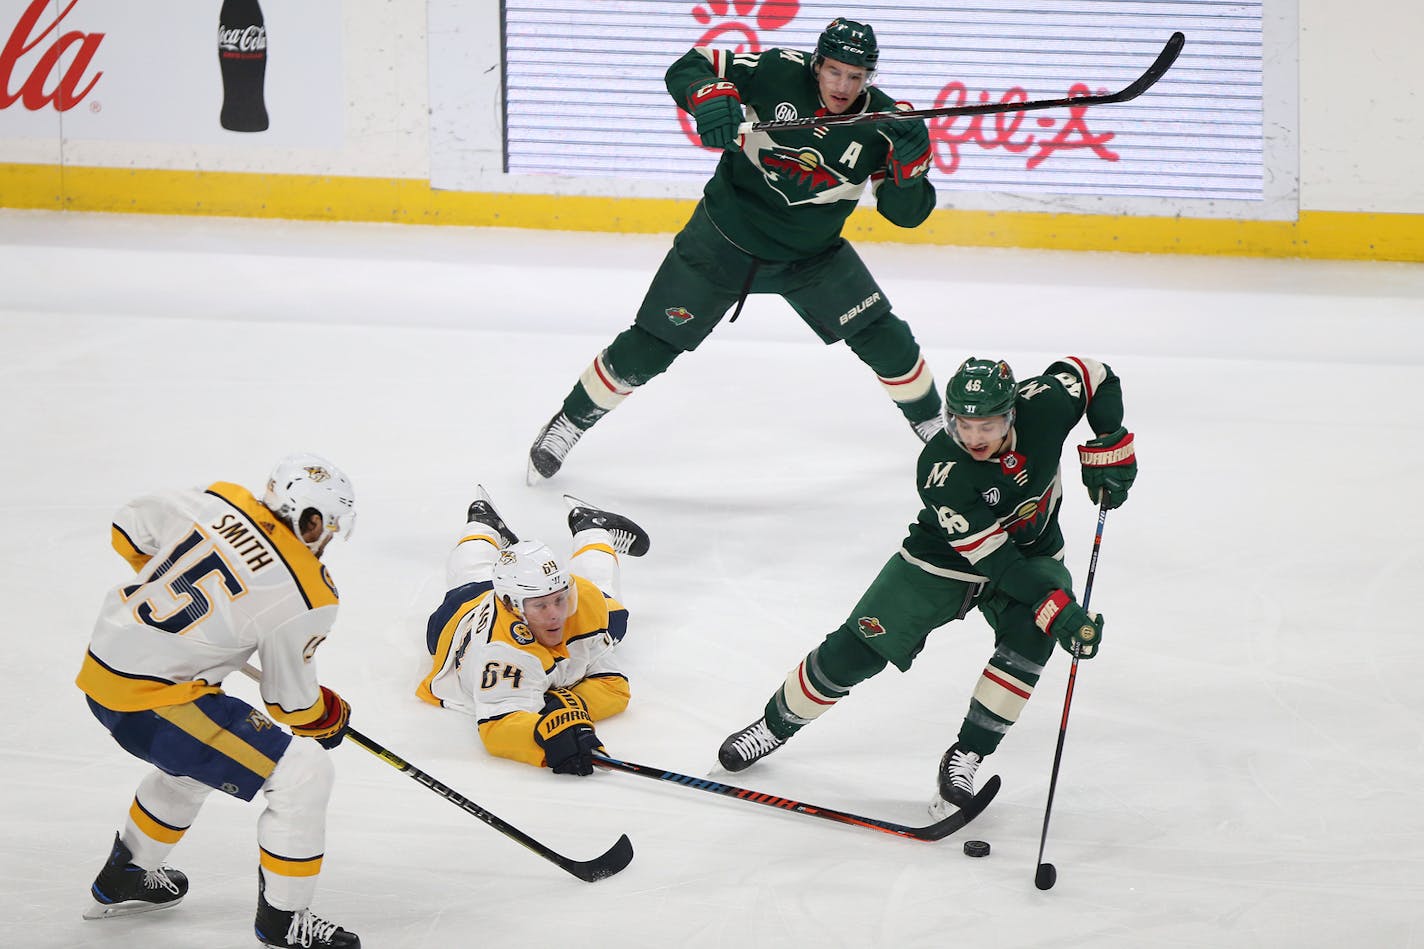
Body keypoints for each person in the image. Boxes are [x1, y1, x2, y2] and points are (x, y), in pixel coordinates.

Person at [527, 16, 944, 483]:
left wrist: (912, 172)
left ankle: (932, 423)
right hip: (721, 243)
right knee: (652, 344)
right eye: (834, 71)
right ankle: (567, 423)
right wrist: (705, 95)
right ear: (816, 64)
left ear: (870, 77)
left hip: (812, 258)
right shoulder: (775, 70)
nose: (843, 86)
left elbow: (905, 215)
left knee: (884, 336)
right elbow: (690, 66)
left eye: (856, 76)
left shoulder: (886, 123)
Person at [716, 356, 1137, 818]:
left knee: (1030, 643)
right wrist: (1055, 605)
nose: (974, 437)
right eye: (963, 424)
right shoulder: (941, 467)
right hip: (944, 560)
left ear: (1013, 412)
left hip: (1035, 555)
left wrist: (1109, 441)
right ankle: (775, 725)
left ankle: (967, 755)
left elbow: (1093, 373)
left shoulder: (1046, 403)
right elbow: (995, 560)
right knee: (857, 648)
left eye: (989, 425)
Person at [76, 453, 361, 949]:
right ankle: (284, 923)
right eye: (327, 528)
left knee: (194, 763)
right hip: (155, 701)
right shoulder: (308, 590)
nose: (328, 540)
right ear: (310, 520)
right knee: (303, 771)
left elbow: (128, 526)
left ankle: (126, 876)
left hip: (104, 666)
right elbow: (291, 705)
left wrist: (173, 588)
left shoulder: (220, 500)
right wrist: (327, 716)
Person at [417, 487, 650, 776]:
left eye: (560, 599)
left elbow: (614, 686)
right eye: (541, 606)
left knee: (615, 615)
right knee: (471, 577)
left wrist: (565, 705)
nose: (555, 615)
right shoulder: (501, 652)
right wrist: (545, 738)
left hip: (512, 598)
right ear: (512, 607)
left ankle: (593, 529)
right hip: (459, 619)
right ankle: (482, 523)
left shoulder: (582, 603)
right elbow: (498, 725)